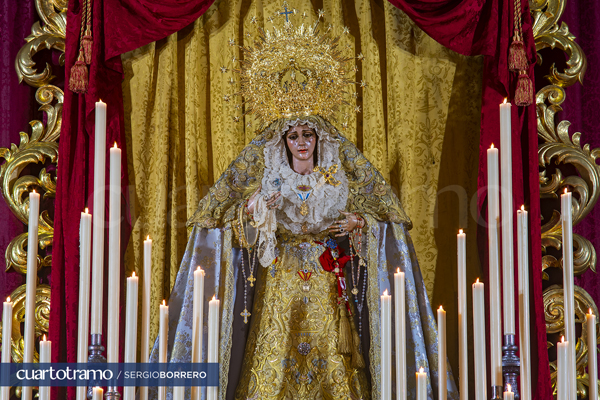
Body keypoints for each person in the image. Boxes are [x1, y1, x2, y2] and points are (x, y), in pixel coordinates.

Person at [150, 6, 458, 400]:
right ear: (283, 141)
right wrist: (256, 209)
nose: (301, 142)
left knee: (335, 363)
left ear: (318, 138)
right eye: (293, 135)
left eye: (308, 134)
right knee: (271, 362)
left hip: (328, 279)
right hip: (279, 279)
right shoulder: (266, 175)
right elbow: (224, 220)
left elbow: (384, 218)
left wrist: (358, 223)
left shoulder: (341, 175)